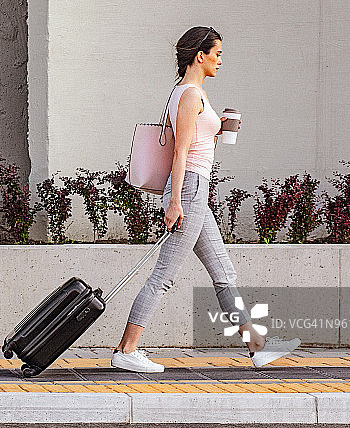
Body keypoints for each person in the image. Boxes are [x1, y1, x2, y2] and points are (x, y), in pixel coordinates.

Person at [111, 26, 300, 372]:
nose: (221, 61)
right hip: (189, 191)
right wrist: (176, 202)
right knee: (163, 276)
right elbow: (181, 151)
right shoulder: (190, 96)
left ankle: (256, 347)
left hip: (195, 190)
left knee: (224, 273)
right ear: (200, 55)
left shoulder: (191, 93)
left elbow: (196, 144)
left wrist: (218, 129)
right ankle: (127, 350)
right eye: (218, 53)